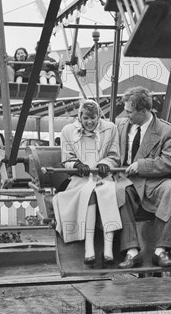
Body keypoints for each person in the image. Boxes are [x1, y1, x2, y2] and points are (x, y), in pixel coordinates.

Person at [114, 86, 171, 269]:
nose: (126, 115)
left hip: (155, 181)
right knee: (119, 191)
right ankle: (131, 251)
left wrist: (141, 165)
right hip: (127, 179)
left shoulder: (167, 131)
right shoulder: (120, 125)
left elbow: (170, 161)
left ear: (143, 111)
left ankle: (161, 250)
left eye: (129, 112)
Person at [52, 100, 122, 267]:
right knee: (89, 192)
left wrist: (107, 163)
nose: (90, 122)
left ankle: (108, 249)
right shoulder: (68, 131)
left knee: (107, 193)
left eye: (93, 118)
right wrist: (76, 166)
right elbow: (66, 159)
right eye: (86, 118)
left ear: (99, 116)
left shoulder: (110, 128)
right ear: (80, 117)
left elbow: (114, 156)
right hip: (81, 179)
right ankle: (89, 247)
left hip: (103, 176)